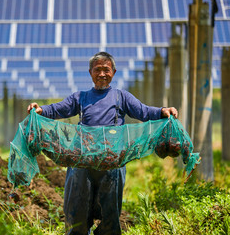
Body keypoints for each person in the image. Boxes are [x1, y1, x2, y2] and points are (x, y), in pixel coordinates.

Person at [27, 52, 178, 235]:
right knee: (78, 210)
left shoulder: (121, 97)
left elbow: (143, 111)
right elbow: (58, 108)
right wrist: (40, 110)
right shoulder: (80, 97)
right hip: (82, 160)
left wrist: (163, 111)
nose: (102, 74)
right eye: (97, 70)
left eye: (106, 70)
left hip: (111, 162)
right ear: (90, 72)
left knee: (110, 212)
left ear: (113, 72)